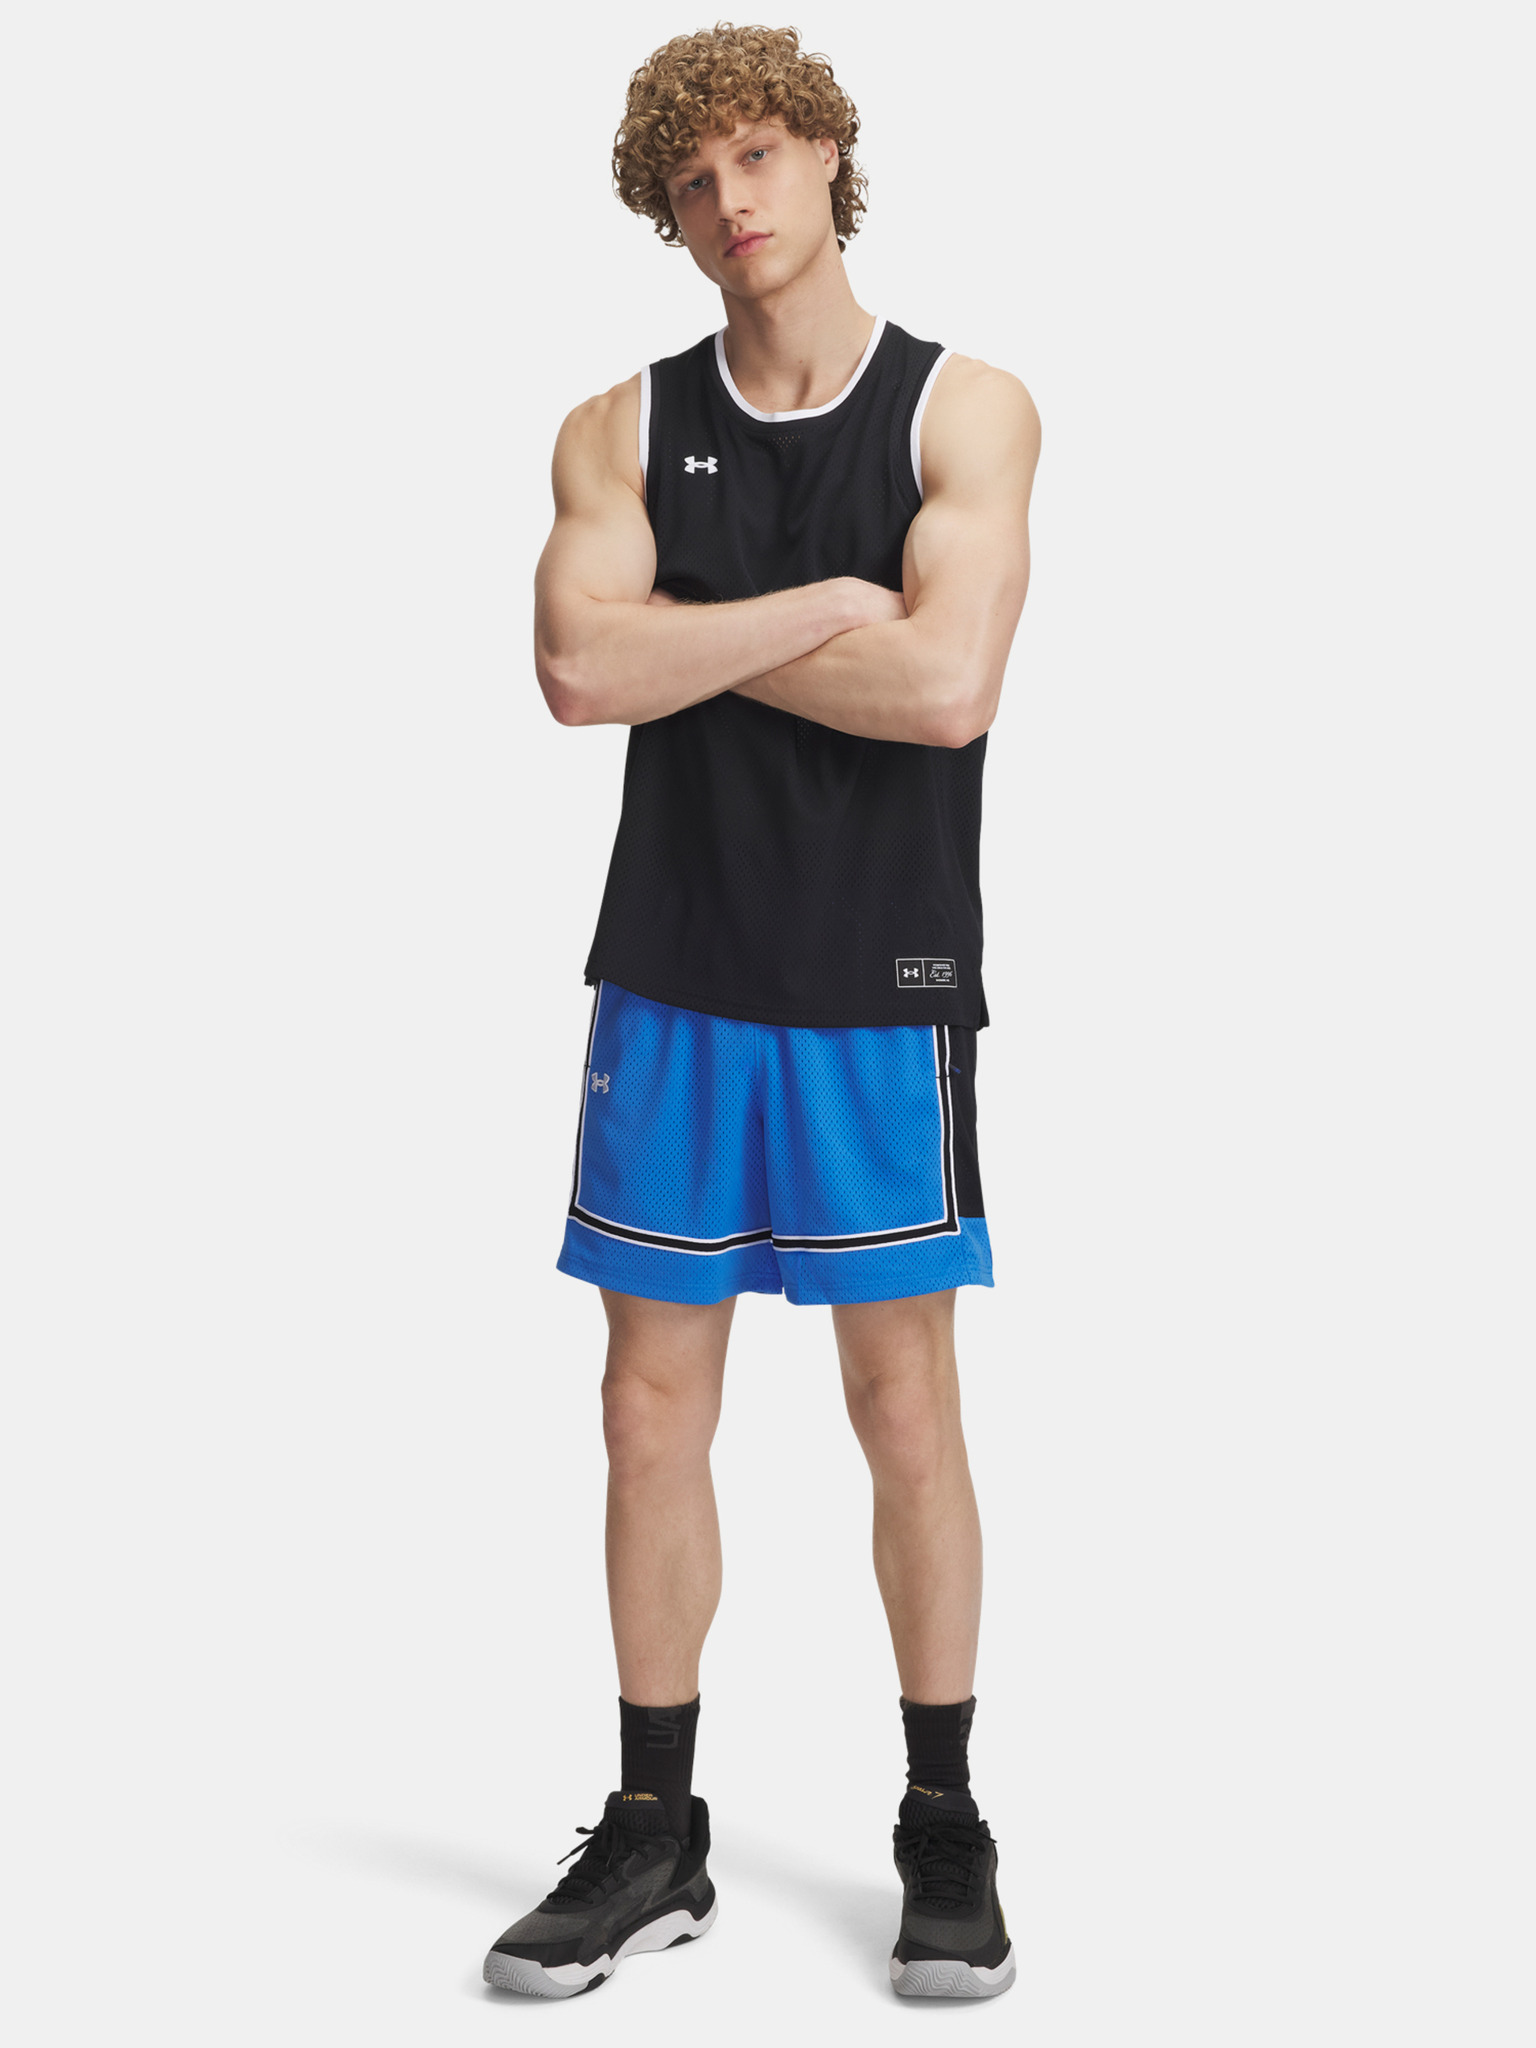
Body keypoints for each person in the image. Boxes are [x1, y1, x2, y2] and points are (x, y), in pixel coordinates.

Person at [483, 23, 1040, 2002]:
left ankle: (942, 1814)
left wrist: (683, 641)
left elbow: (948, 686)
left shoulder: (968, 410)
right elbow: (575, 671)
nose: (732, 201)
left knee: (904, 1402)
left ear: (824, 155)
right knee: (646, 1404)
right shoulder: (616, 429)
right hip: (675, 970)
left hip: (883, 979)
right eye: (692, 181)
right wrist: (818, 608)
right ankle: (658, 1827)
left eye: (757, 157)